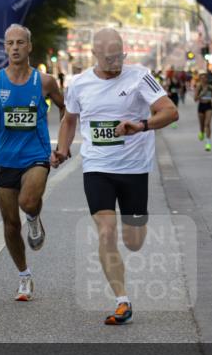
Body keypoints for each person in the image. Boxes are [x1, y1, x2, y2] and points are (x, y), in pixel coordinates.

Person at [52, 28, 178, 325]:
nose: (116, 62)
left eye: (119, 56)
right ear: (94, 54)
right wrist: (62, 150)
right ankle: (122, 300)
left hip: (134, 169)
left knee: (133, 241)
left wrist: (142, 125)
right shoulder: (79, 84)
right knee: (106, 232)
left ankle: (133, 233)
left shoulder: (140, 76)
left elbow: (170, 112)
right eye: (109, 58)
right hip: (97, 167)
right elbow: (69, 120)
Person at [0, 24, 65, 301]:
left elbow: (67, 109)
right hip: (4, 158)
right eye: (10, 43)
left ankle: (34, 217)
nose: (14, 47)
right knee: (11, 224)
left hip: (36, 154)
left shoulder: (45, 82)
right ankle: (24, 275)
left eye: (20, 42)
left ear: (29, 46)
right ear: (5, 48)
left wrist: (62, 145)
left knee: (28, 201)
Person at [194, 70, 212, 151]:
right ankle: (202, 132)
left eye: (205, 78)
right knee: (202, 125)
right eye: (202, 78)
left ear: (207, 79)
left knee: (207, 124)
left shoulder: (210, 87)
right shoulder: (198, 87)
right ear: (200, 79)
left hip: (208, 106)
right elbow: (195, 99)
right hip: (201, 106)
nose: (203, 79)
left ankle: (208, 143)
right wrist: (202, 94)